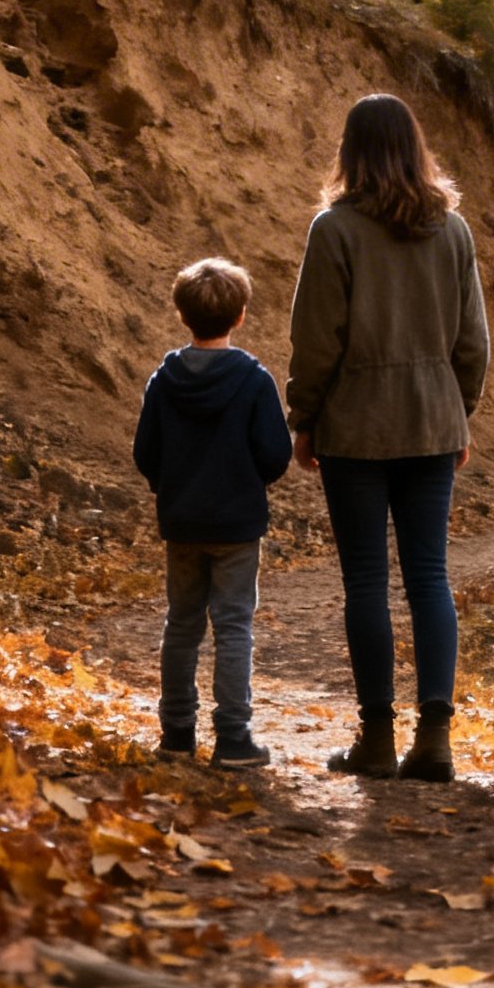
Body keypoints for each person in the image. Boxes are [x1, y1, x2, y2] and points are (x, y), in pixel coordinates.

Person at [287, 94, 490, 783]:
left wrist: (304, 419)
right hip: (433, 423)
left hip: (356, 426)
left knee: (367, 583)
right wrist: (457, 410)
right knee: (429, 578)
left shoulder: (334, 230)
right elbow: (473, 342)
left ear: (351, 151)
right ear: (415, 147)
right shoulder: (453, 232)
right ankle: (435, 740)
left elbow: (316, 341)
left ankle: (375, 740)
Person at [134, 256, 292, 767]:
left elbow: (145, 451)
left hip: (181, 521)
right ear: (240, 315)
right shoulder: (253, 380)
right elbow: (275, 453)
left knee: (181, 623)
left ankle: (177, 733)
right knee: (233, 626)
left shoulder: (165, 379)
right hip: (237, 525)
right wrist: (249, 483)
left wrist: (169, 486)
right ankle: (232, 737)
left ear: (182, 316)